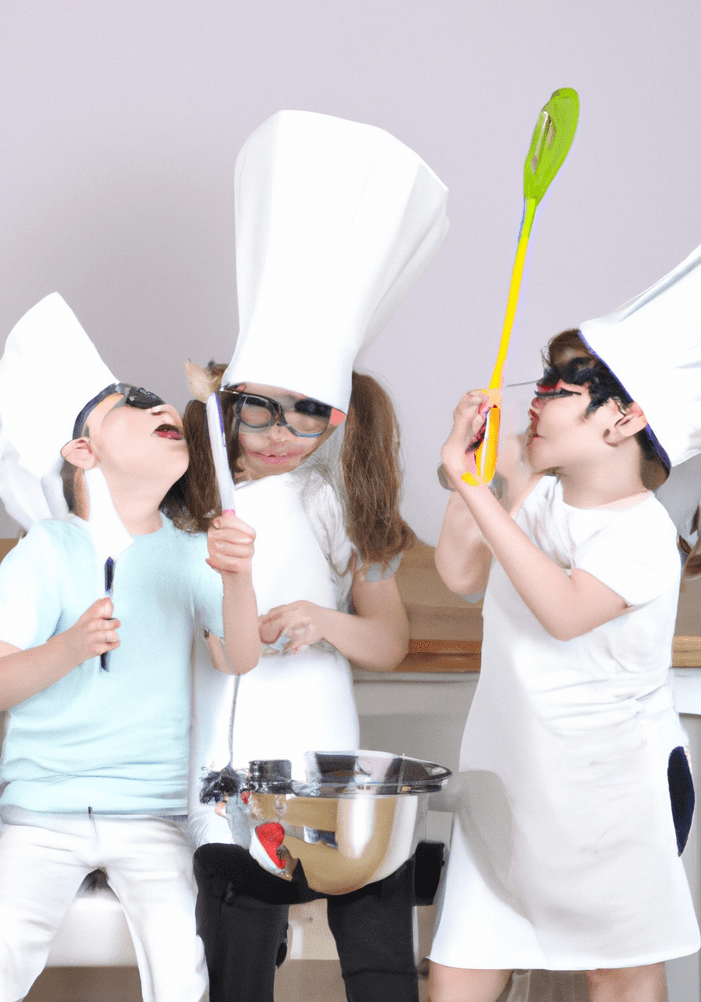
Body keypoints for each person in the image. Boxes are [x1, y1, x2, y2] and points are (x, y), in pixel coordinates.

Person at [428, 189, 701, 1002]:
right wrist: (481, 480)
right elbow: (460, 575)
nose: (536, 395)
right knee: (457, 974)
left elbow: (565, 611)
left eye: (565, 385)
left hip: (611, 796)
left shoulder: (642, 533)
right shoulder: (534, 497)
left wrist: (483, 493)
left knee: (619, 974)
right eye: (542, 378)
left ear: (624, 418)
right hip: (507, 786)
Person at [184, 110, 449, 1002]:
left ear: (336, 417)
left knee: (378, 953)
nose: (281, 435)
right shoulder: (189, 514)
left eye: (310, 415)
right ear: (229, 398)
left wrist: (325, 617)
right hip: (228, 780)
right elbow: (232, 653)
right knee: (241, 960)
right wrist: (239, 578)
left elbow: (389, 644)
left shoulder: (335, 504)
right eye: (260, 408)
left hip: (334, 767)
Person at [0, 292, 260, 1002]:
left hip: (150, 813)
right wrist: (69, 647)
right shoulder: (44, 552)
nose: (160, 409)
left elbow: (237, 656)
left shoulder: (190, 553)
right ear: (82, 452)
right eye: (132, 402)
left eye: (161, 403)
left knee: (184, 959)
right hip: (41, 815)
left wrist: (237, 578)